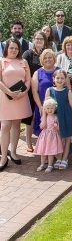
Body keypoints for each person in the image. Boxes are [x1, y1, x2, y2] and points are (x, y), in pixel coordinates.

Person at [0, 38, 32, 171]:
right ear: (6, 48)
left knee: (16, 125)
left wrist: (22, 93)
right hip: (5, 98)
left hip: (20, 97)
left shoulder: (23, 61)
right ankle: (3, 156)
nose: (13, 50)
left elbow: (28, 79)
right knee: (5, 125)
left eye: (16, 48)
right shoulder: (1, 61)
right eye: (11, 47)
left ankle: (13, 152)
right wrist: (10, 93)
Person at [22, 31, 49, 152]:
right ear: (33, 40)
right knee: (31, 116)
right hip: (31, 89)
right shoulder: (27, 54)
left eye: (41, 39)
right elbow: (24, 72)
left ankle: (43, 140)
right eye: (37, 39)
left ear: (44, 41)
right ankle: (28, 142)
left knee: (44, 114)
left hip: (43, 89)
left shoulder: (46, 53)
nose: (39, 41)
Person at [45, 70, 72, 170]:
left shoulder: (68, 91)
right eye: (57, 78)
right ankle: (58, 157)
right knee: (57, 138)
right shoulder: (49, 90)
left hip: (66, 116)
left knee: (67, 138)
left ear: (65, 80)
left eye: (62, 78)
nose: (59, 80)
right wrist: (44, 120)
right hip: (55, 118)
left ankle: (65, 158)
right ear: (53, 79)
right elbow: (45, 107)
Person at [32, 49, 59, 136]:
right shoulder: (37, 73)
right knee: (43, 131)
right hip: (42, 106)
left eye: (50, 57)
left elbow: (67, 89)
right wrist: (40, 106)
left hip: (57, 106)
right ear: (42, 60)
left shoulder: (59, 71)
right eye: (45, 58)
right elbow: (34, 91)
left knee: (56, 130)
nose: (48, 59)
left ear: (54, 58)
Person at [34, 98, 63, 173]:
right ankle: (42, 164)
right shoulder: (44, 117)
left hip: (53, 137)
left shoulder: (56, 117)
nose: (50, 110)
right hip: (45, 136)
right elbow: (41, 126)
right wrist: (43, 124)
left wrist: (56, 126)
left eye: (52, 108)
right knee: (43, 152)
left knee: (50, 152)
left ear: (55, 108)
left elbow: (59, 129)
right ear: (45, 109)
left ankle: (50, 165)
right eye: (48, 108)